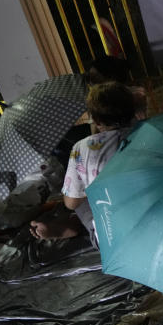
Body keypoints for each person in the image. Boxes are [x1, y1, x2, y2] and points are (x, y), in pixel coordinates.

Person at [30, 82, 136, 246]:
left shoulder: (83, 148)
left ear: (96, 118)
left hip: (113, 239)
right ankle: (72, 225)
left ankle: (73, 226)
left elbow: (71, 203)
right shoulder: (151, 134)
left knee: (81, 197)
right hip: (160, 219)